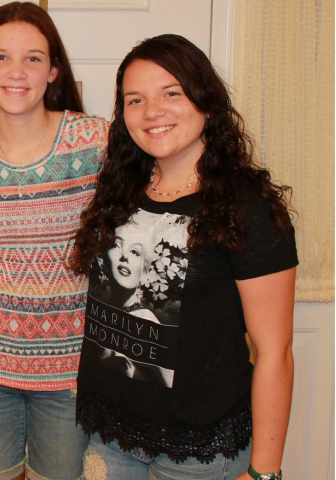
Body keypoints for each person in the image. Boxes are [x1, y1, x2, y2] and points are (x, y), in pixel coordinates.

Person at [73, 34, 296, 480]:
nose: (152, 111)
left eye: (171, 93)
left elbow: (276, 351)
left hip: (197, 452)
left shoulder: (245, 206)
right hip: (108, 432)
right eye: (135, 100)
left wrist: (265, 473)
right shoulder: (119, 189)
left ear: (206, 101)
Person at [0, 3, 109, 479]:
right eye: (0, 58)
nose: (16, 72)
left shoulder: (94, 140)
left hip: (71, 368)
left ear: (53, 70)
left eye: (33, 58)